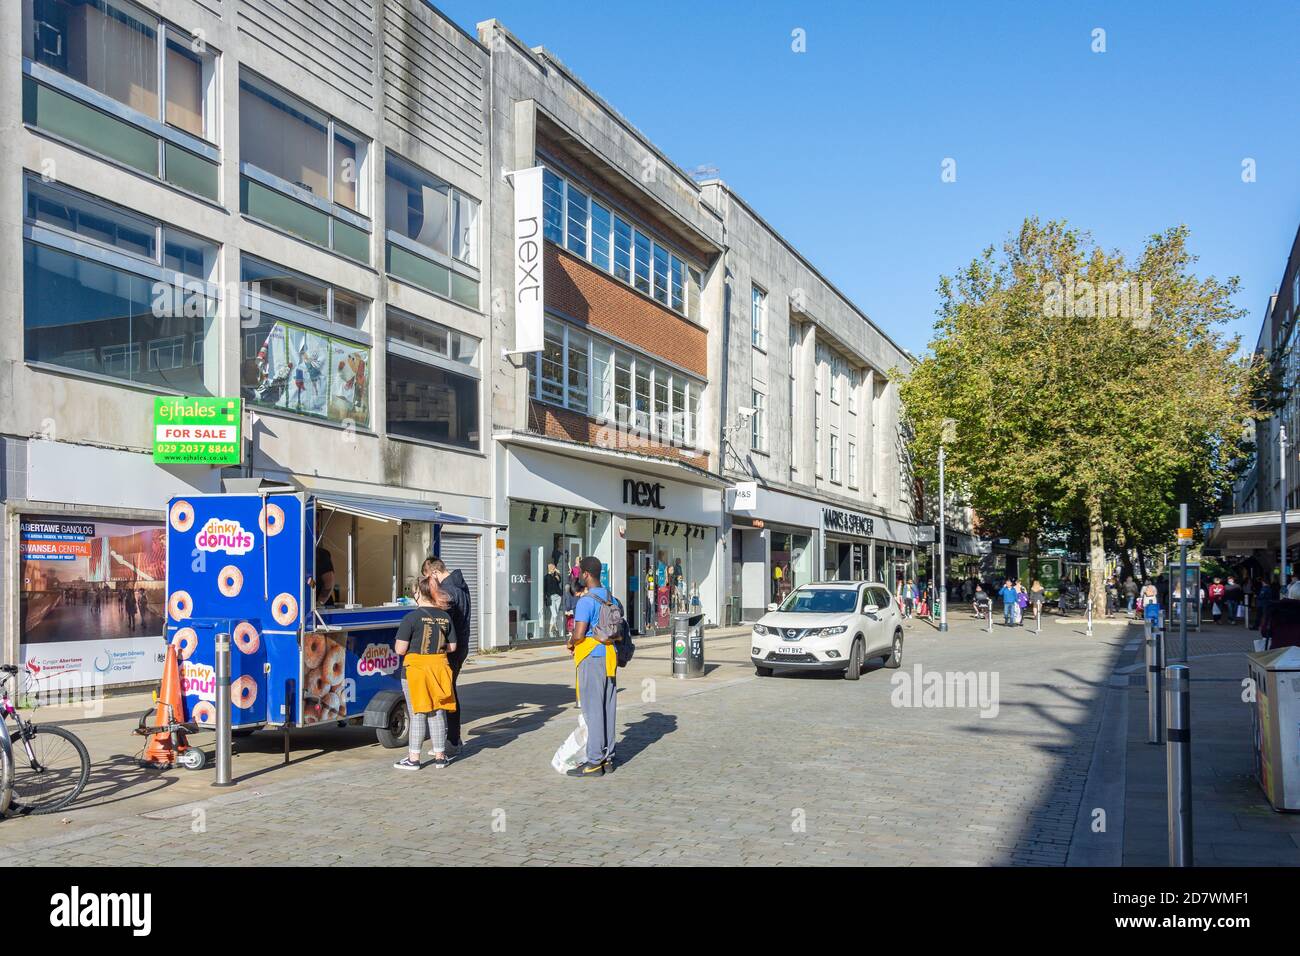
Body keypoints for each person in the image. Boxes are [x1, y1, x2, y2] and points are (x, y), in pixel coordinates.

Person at [392, 577, 457, 770]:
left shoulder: (411, 618)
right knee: (437, 712)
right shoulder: (446, 617)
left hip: (416, 671)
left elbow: (400, 649)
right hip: (439, 668)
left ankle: (413, 759)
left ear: (419, 593)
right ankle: (440, 756)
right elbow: (452, 646)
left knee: (418, 713)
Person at [566, 556, 618, 778]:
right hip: (609, 656)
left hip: (590, 657)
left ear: (586, 574)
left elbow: (579, 634)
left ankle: (594, 762)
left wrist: (570, 642)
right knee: (607, 708)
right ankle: (607, 757)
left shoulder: (585, 601)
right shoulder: (610, 597)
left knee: (593, 710)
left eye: (580, 573)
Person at [423, 557, 471, 751]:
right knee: (450, 690)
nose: (429, 584)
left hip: (452, 648)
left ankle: (451, 740)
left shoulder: (448, 591)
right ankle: (453, 738)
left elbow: (443, 621)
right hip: (461, 645)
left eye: (428, 578)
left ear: (434, 572)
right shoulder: (460, 584)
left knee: (447, 693)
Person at [543, 562, 564, 638]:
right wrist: (545, 597)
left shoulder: (555, 576)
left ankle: (549, 630)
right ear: (549, 568)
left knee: (555, 613)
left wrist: (558, 574)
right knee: (554, 613)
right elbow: (545, 588)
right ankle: (555, 627)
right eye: (552, 567)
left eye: (554, 567)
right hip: (551, 596)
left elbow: (559, 581)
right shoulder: (546, 577)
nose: (554, 569)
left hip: (558, 596)